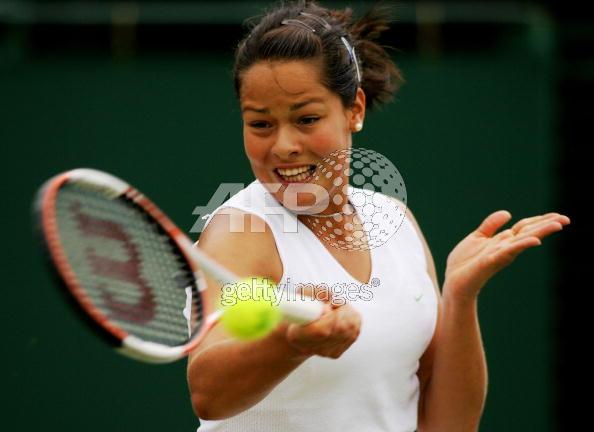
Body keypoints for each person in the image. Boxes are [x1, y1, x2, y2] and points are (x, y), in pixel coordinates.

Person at [186, 1, 571, 431]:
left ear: (355, 110)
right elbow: (209, 392)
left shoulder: (395, 220)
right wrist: (293, 345)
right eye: (260, 124)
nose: (283, 145)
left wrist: (460, 296)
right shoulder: (240, 233)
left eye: (307, 118)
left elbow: (448, 424)